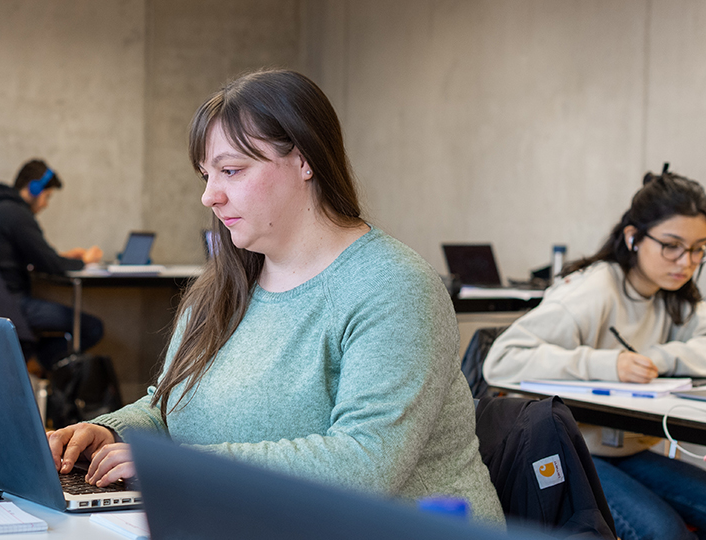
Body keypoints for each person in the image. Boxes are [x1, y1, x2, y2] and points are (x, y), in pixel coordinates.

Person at [46, 69, 504, 523]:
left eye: (231, 171)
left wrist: (184, 469)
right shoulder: (221, 288)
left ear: (305, 160)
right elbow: (168, 411)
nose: (209, 196)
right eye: (206, 175)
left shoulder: (393, 286)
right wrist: (107, 432)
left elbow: (366, 462)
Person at [484, 171, 706, 540]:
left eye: (698, 248)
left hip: (629, 450)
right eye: (672, 245)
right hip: (573, 449)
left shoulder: (675, 294)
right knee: (664, 533)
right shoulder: (593, 291)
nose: (686, 262)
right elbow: (503, 358)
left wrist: (660, 357)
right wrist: (608, 364)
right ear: (633, 237)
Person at [0, 159, 105, 371]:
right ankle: (33, 365)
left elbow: (38, 257)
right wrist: (84, 260)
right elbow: (51, 264)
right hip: (10, 303)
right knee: (92, 327)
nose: (46, 204)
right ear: (34, 189)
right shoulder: (17, 215)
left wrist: (62, 256)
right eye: (47, 197)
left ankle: (30, 360)